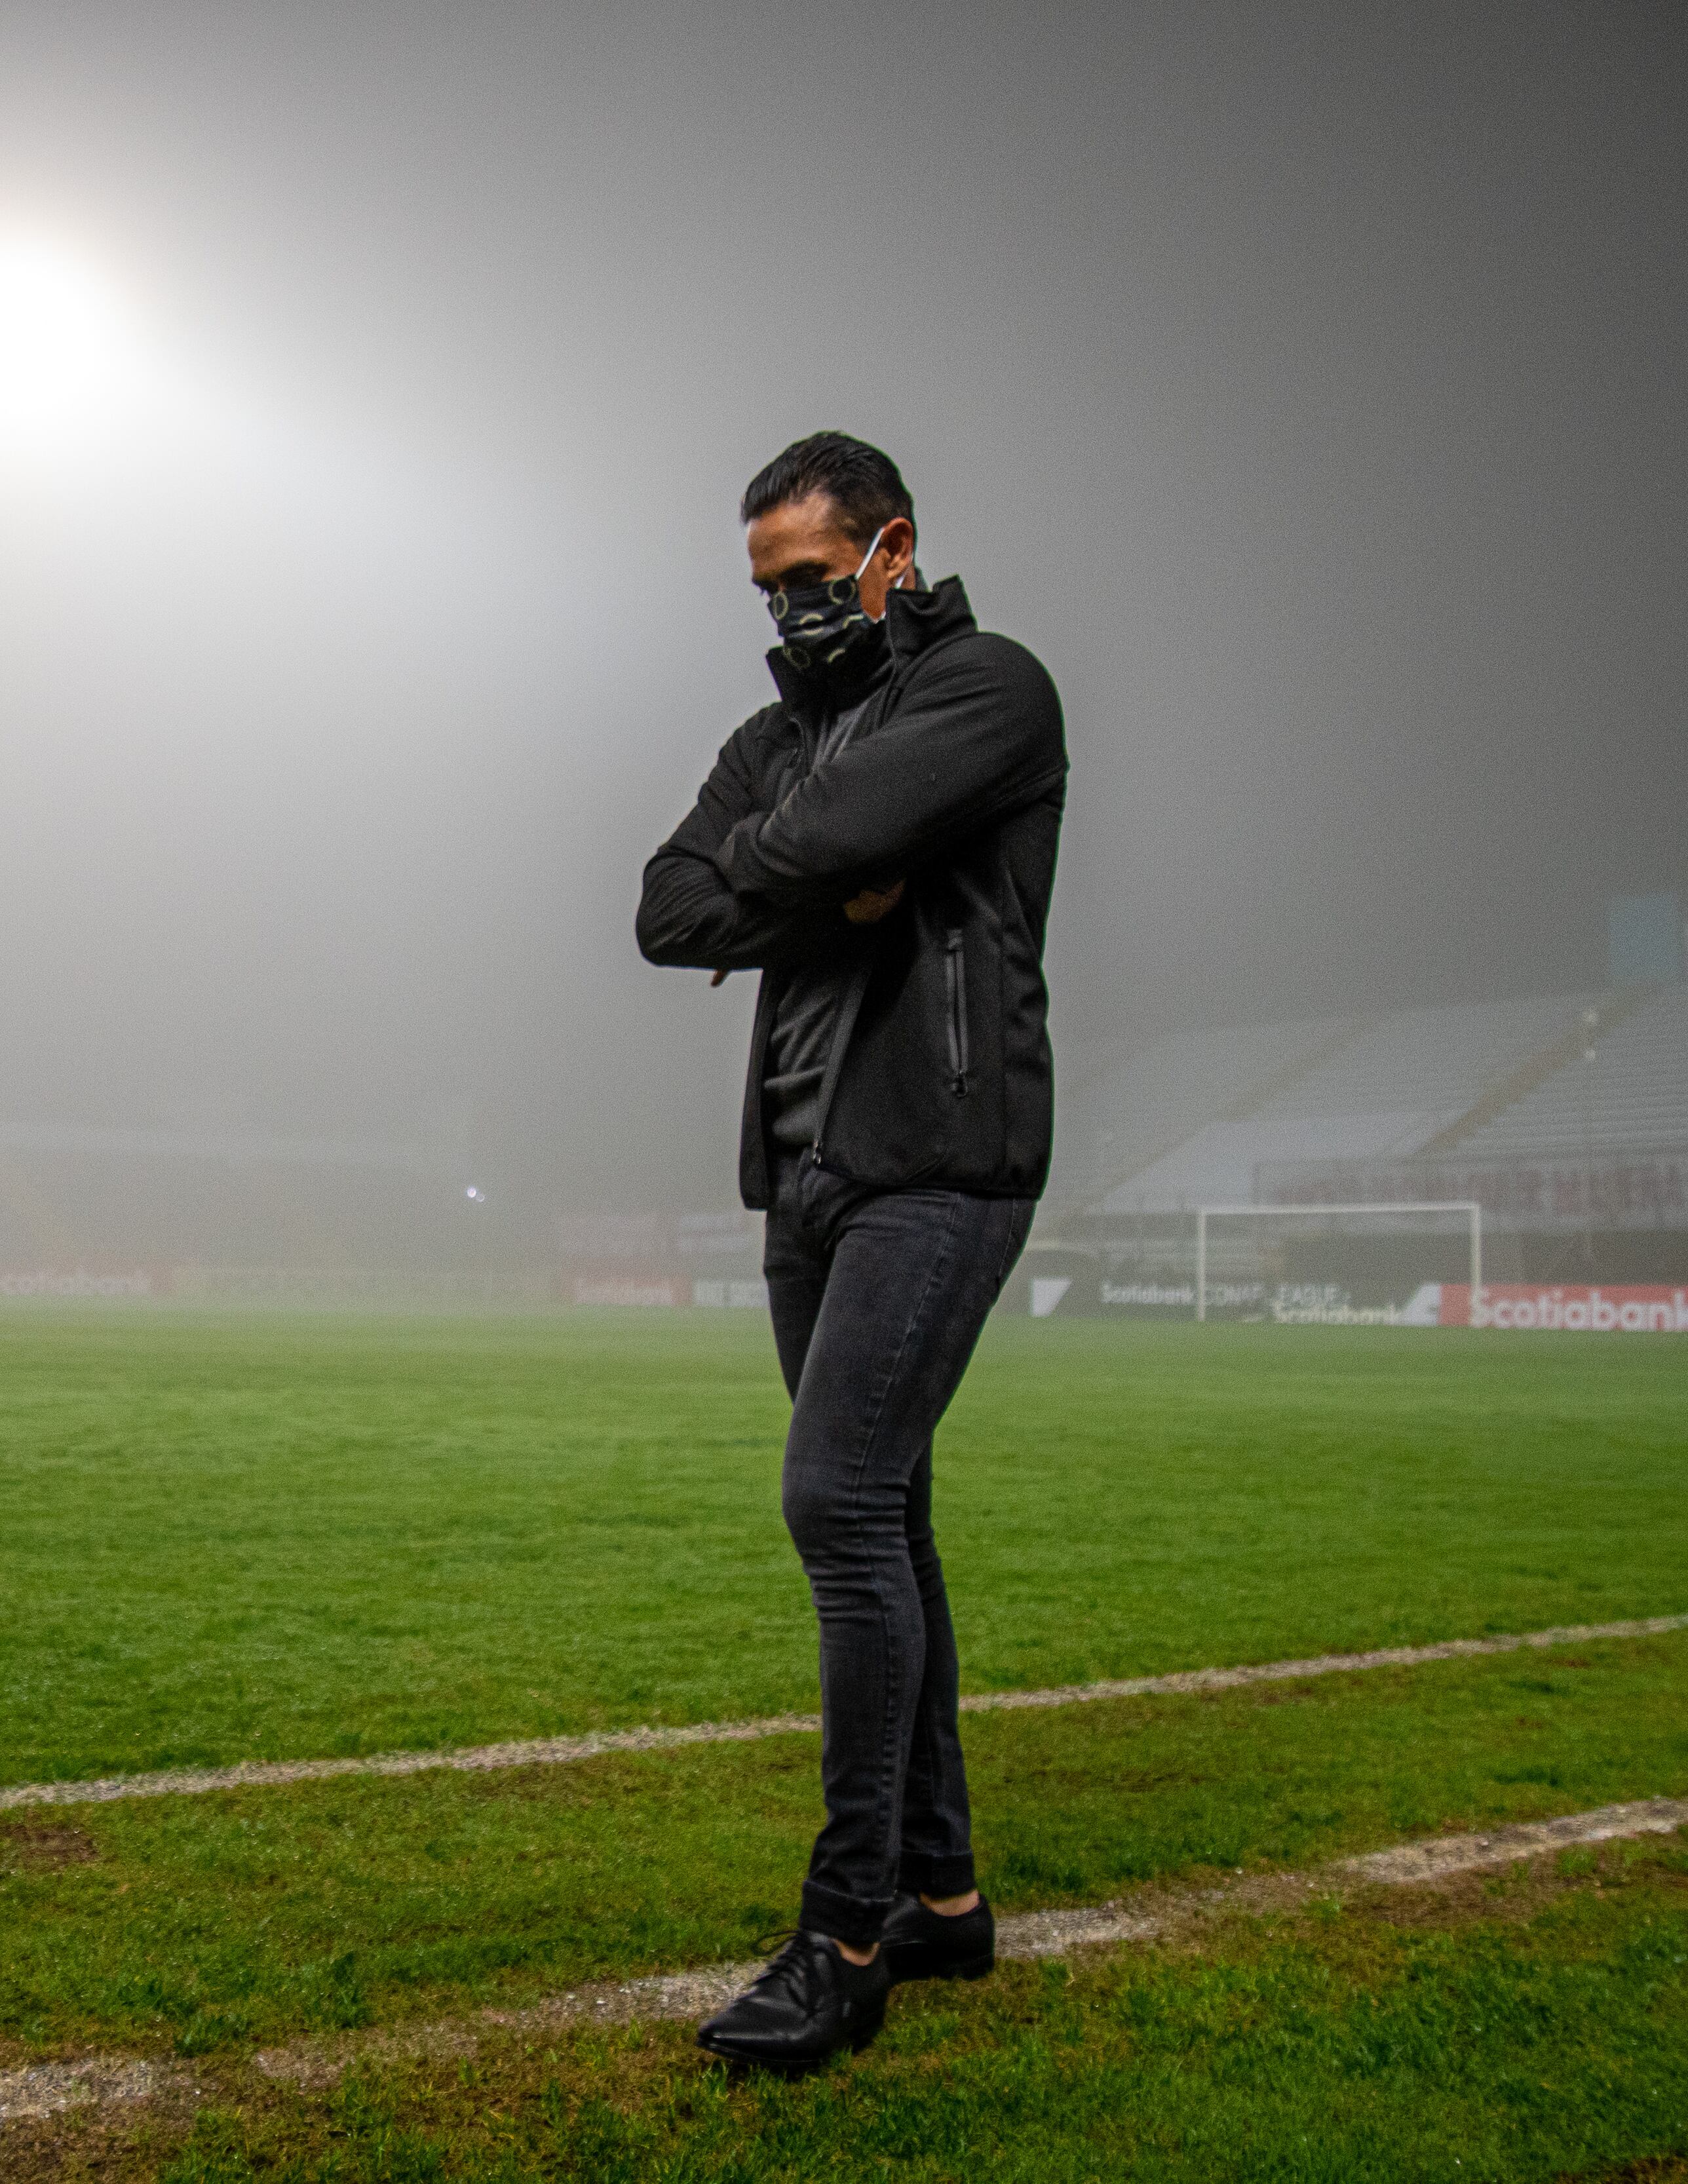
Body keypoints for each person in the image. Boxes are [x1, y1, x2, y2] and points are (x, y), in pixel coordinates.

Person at [636, 431, 1067, 2072]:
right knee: (888, 1508)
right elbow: (669, 909)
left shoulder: (990, 692)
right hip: (804, 1179)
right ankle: (945, 1897)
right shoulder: (777, 735)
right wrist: (826, 881)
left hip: (939, 1159)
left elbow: (778, 858)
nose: (792, 613)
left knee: (834, 1500)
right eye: (766, 590)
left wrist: (799, 861)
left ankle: (849, 1926)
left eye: (813, 580)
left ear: (891, 549)